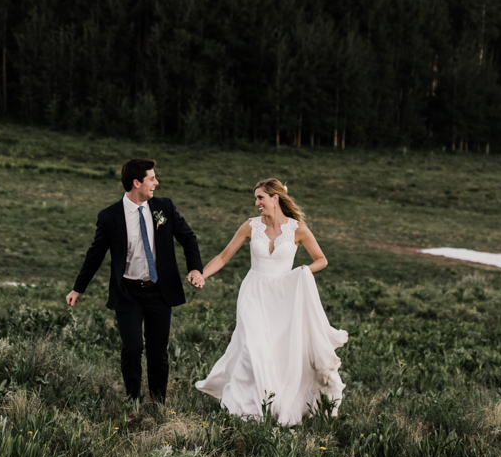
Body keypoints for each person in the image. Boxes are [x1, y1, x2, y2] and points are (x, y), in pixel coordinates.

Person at [193, 177, 347, 424]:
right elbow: (223, 256)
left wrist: (303, 272)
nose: (257, 203)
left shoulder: (297, 229)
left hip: (284, 296)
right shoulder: (250, 226)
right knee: (252, 347)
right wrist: (202, 274)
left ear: (275, 198)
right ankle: (247, 410)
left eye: (260, 198)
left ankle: (275, 402)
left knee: (277, 351)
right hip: (254, 292)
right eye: (256, 198)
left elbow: (321, 259)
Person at [67, 158, 204, 406]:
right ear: (136, 182)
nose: (157, 182)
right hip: (128, 292)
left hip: (159, 291)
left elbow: (188, 238)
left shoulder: (164, 207)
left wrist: (195, 268)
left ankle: (158, 403)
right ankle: (133, 402)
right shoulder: (110, 217)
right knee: (132, 348)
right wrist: (78, 287)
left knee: (157, 352)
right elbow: (95, 254)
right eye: (152, 178)